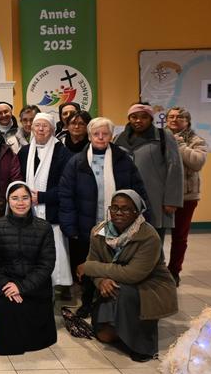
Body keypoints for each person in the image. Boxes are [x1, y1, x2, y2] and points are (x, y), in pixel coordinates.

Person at [59, 117, 150, 318]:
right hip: (87, 225)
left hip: (120, 224)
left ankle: (112, 303)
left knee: (115, 264)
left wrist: (145, 217)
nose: (100, 137)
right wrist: (70, 226)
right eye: (96, 134)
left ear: (111, 136)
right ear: (89, 136)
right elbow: (66, 195)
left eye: (105, 133)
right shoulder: (77, 162)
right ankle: (87, 301)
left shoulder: (123, 159)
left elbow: (138, 190)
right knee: (88, 264)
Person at [79, 190, 178, 362]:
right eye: (114, 208)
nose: (118, 213)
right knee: (105, 336)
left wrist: (90, 268)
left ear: (137, 212)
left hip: (148, 285)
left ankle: (142, 344)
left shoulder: (149, 236)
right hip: (114, 281)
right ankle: (119, 326)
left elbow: (132, 274)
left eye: (125, 209)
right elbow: (93, 262)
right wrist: (101, 281)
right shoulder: (98, 232)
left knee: (121, 290)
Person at [0, 181, 56, 355]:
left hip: (36, 287)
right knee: (10, 316)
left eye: (25, 198)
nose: (20, 202)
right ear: (8, 201)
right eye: (15, 198)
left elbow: (46, 264)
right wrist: (7, 286)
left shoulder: (44, 227)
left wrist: (22, 287)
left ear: (31, 200)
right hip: (8, 286)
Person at [18, 113, 74, 290]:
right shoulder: (24, 152)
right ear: (32, 128)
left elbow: (67, 186)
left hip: (53, 212)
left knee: (54, 253)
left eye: (45, 126)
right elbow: (18, 178)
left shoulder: (63, 153)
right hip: (28, 211)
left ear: (52, 129)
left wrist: (42, 197)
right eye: (37, 125)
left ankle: (56, 288)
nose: (41, 129)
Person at [114, 103, 184, 243]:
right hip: (126, 199)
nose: (138, 120)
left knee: (153, 242)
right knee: (126, 243)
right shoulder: (118, 138)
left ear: (151, 119)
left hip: (155, 200)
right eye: (134, 117)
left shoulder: (163, 136)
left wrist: (171, 200)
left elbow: (175, 167)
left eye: (144, 117)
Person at [165, 107, 208, 286]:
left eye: (179, 117)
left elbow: (197, 162)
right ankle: (156, 271)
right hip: (162, 196)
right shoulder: (159, 137)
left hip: (186, 197)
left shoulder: (196, 140)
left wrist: (180, 145)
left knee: (179, 237)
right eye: (171, 116)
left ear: (187, 121)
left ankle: (174, 271)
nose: (174, 119)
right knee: (155, 235)